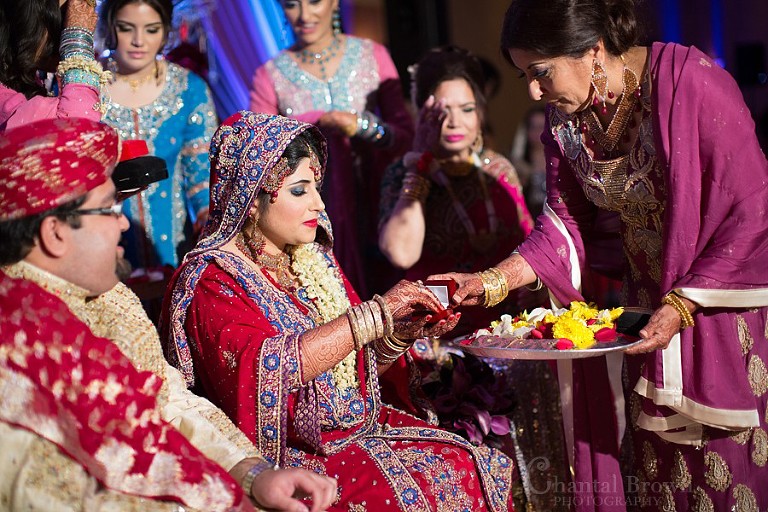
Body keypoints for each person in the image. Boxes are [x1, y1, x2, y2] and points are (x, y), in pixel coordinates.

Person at [431, 0, 768, 510]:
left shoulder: (692, 84)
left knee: (725, 482)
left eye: (540, 73)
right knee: (658, 484)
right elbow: (564, 226)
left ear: (591, 51)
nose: (533, 90)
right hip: (642, 328)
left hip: (712, 320)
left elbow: (752, 206)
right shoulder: (567, 122)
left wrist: (682, 305)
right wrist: (489, 281)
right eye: (525, 75)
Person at [162, 111, 517, 511]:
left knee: (475, 462)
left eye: (316, 186)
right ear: (251, 201)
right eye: (299, 191)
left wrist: (400, 332)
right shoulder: (213, 279)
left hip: (360, 430)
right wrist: (376, 315)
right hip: (290, 456)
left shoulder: (312, 257)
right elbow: (264, 372)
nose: (318, 202)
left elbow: (356, 371)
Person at [0, 117, 337, 512]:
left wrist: (251, 474)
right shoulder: (17, 341)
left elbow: (170, 401)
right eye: (109, 210)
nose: (124, 223)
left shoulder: (113, 298)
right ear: (55, 233)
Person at [249, 0, 414, 297]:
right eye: (291, 5)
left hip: (379, 203)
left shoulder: (372, 55)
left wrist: (361, 126)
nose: (304, 15)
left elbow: (405, 136)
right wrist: (320, 121)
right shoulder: (269, 75)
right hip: (311, 216)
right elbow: (260, 152)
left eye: (314, 2)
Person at [379, 46, 535, 336]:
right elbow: (401, 254)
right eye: (441, 112)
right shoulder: (403, 173)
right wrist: (420, 166)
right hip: (435, 333)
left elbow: (529, 246)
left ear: (481, 112)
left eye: (467, 109)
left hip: (506, 328)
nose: (454, 122)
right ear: (421, 112)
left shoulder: (498, 168)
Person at [98, 0, 216, 269]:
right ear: (109, 26)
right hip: (105, 253)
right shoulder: (86, 89)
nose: (139, 41)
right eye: (127, 29)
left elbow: (200, 177)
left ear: (166, 32)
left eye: (151, 30)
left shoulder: (189, 89)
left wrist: (207, 217)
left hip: (176, 253)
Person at [0, 0, 107, 130]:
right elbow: (74, 132)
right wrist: (77, 41)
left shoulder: (36, 80)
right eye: (63, 18)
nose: (67, 30)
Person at [509, 106, 547, 216]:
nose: (536, 132)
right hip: (529, 216)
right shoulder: (518, 163)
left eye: (541, 127)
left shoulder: (560, 161)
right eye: (533, 127)